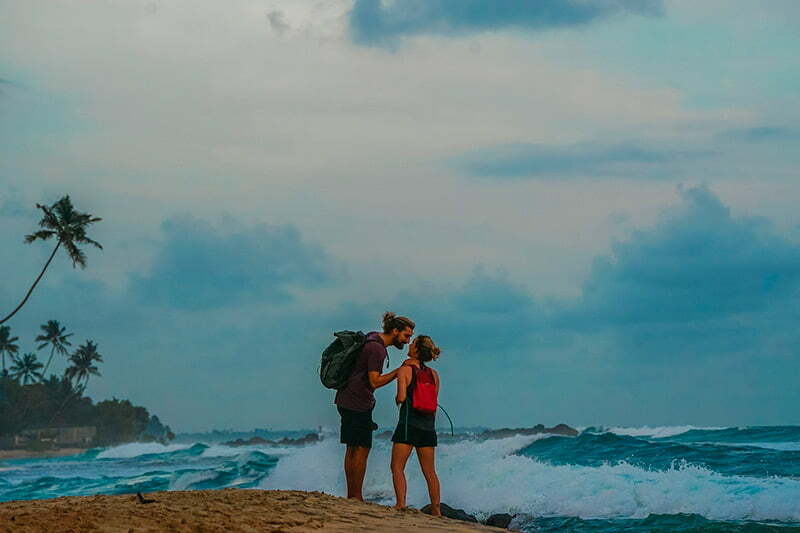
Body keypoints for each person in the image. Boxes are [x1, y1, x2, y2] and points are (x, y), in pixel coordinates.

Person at [335, 312, 415, 501]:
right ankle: (356, 496)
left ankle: (352, 495)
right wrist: (398, 372)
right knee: (361, 448)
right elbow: (374, 381)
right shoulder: (377, 349)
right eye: (406, 335)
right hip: (357, 401)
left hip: (347, 398)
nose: (407, 340)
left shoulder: (371, 338)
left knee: (352, 447)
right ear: (395, 331)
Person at [390, 335, 441, 516]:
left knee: (397, 466)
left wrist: (398, 400)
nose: (409, 345)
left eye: (412, 344)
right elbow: (433, 400)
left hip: (408, 425)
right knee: (429, 471)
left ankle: (401, 503)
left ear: (417, 350)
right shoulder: (434, 375)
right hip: (428, 427)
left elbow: (402, 397)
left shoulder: (405, 369)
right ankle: (436, 510)